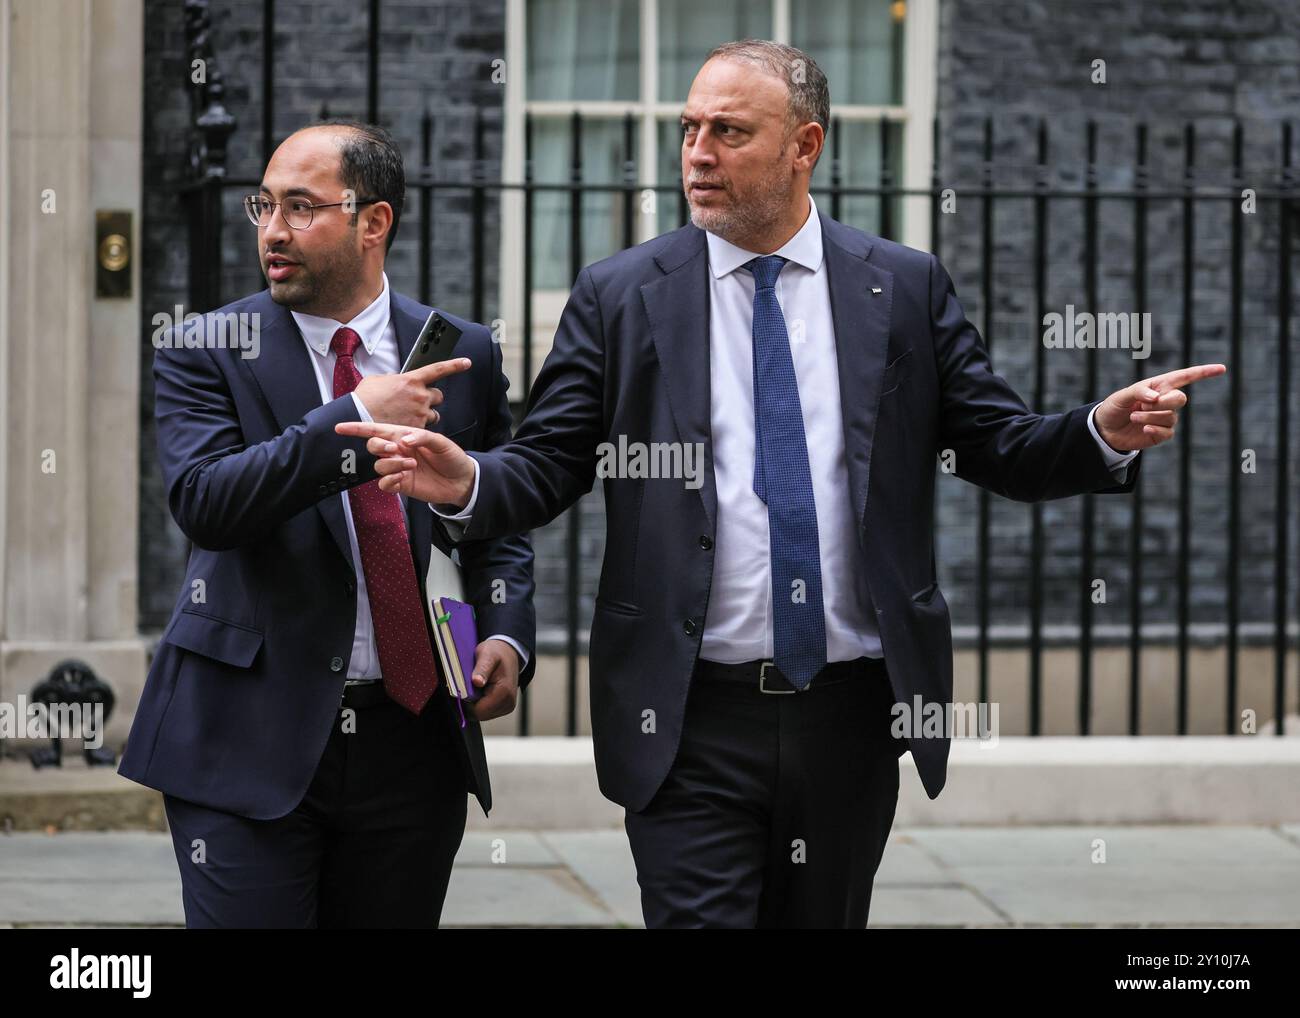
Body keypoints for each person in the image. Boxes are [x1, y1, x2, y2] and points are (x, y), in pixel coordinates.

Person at [340, 41, 1224, 928]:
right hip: (685, 714)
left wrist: (1097, 432)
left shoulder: (902, 287)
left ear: (805, 145)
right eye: (689, 129)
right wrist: (468, 482)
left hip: (851, 712)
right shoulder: (621, 293)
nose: (697, 153)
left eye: (729, 131)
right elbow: (550, 464)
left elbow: (999, 443)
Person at [119, 120, 536, 928]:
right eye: (264, 206)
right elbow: (208, 501)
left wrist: (507, 632)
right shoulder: (206, 347)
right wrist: (348, 416)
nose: (273, 231)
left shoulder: (460, 353)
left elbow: (496, 514)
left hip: (411, 741)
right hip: (246, 736)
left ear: (372, 221)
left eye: (300, 209)